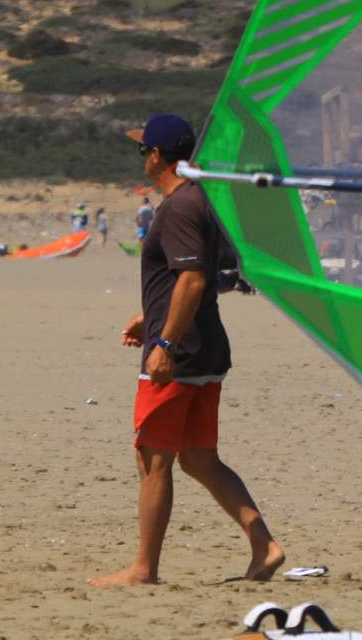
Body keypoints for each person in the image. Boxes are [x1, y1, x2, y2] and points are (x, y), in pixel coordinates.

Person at [89, 114, 284, 587]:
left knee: (153, 457)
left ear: (157, 156)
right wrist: (151, 316)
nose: (141, 156)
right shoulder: (200, 200)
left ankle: (143, 569)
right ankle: (264, 546)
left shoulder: (179, 207)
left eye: (143, 149)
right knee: (198, 457)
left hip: (182, 353)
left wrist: (164, 342)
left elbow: (194, 279)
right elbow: (192, 278)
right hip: (203, 345)